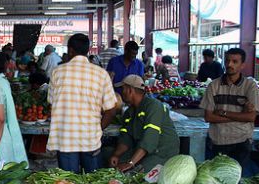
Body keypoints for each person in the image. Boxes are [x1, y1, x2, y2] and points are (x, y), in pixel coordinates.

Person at [47, 33, 118, 172]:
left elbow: (51, 104)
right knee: (92, 183)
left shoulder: (57, 72)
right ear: (88, 50)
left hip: (65, 139)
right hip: (90, 139)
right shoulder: (101, 74)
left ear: (70, 50)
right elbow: (111, 110)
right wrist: (99, 128)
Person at [200, 48, 259, 174]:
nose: (229, 65)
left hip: (241, 141)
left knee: (238, 180)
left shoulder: (250, 86)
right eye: (227, 61)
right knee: (219, 180)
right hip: (219, 141)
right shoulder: (214, 86)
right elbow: (209, 117)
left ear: (242, 65)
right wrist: (240, 115)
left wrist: (223, 112)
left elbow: (250, 117)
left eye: (234, 61)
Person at [109, 75, 180, 172]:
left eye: (123, 89)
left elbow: (149, 139)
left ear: (130, 90)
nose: (122, 93)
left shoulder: (154, 106)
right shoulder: (129, 112)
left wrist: (131, 163)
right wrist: (116, 155)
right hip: (142, 150)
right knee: (113, 163)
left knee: (136, 173)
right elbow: (126, 137)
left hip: (161, 152)